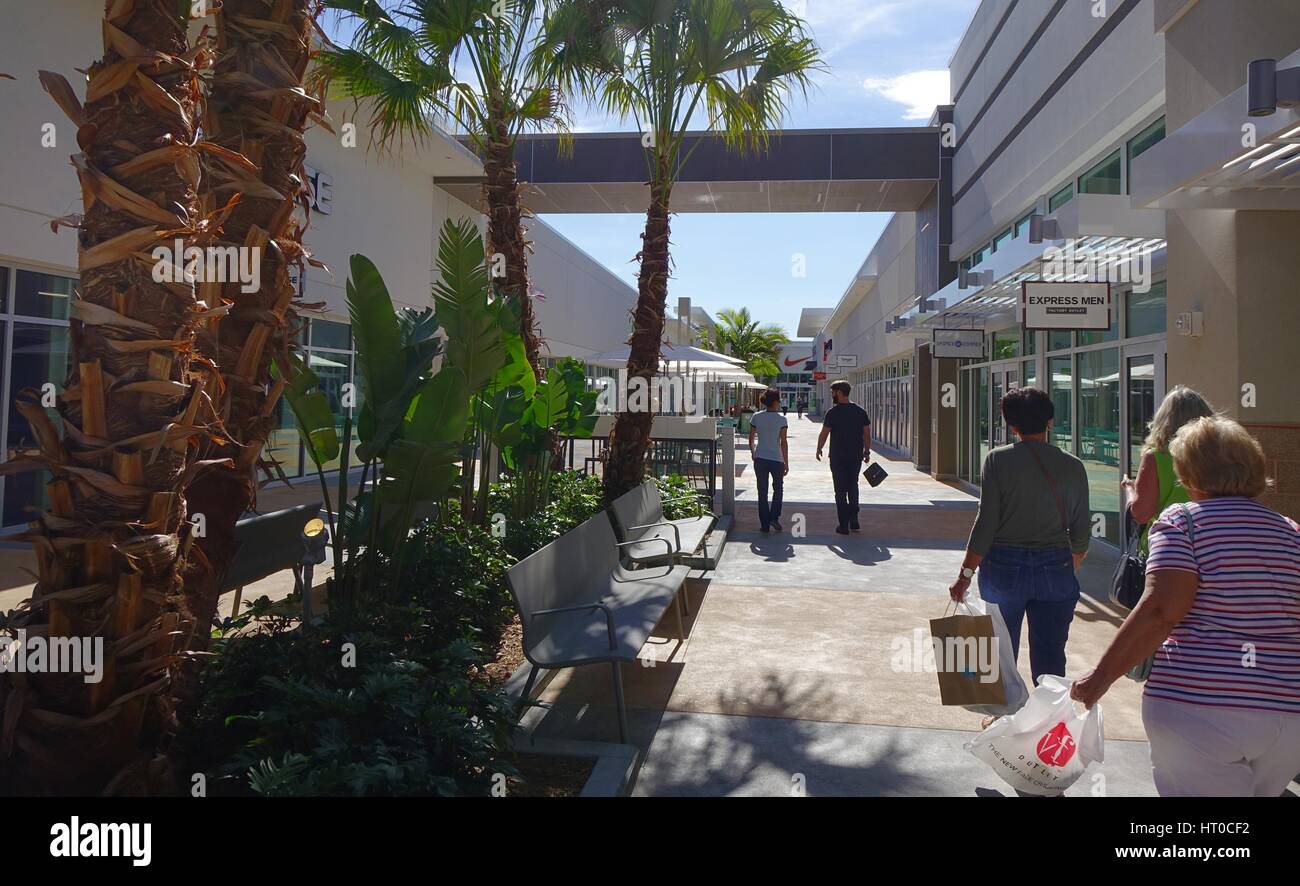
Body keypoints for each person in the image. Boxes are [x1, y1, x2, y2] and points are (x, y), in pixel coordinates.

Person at [1071, 416, 1300, 796]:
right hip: (1287, 715)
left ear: (1190, 474)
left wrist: (1100, 679)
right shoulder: (1290, 531)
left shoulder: (1182, 523)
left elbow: (1162, 610)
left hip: (1199, 708)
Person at [949, 387, 1091, 688]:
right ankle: (1048, 718)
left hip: (1003, 566)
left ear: (1010, 425)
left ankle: (1003, 715)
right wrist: (1070, 563)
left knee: (1000, 649)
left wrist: (966, 573)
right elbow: (1081, 531)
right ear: (1050, 421)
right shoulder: (1074, 466)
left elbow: (986, 522)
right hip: (1056, 567)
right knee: (1051, 653)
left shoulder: (997, 461)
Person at [1122, 386, 1214, 556]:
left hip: (1167, 548)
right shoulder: (1218, 455)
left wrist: (1130, 490)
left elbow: (1141, 514)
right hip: (1210, 545)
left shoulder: (1157, 457)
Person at [816, 380, 872, 535]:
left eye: (833, 391)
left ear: (839, 392)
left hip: (837, 457)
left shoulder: (833, 413)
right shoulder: (861, 411)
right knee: (853, 485)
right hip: (855, 457)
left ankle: (843, 525)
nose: (832, 394)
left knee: (840, 491)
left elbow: (824, 433)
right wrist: (866, 452)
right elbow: (867, 434)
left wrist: (819, 448)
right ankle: (854, 519)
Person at [749, 389, 789, 532]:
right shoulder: (782, 420)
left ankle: (764, 524)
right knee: (778, 489)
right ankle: (774, 518)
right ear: (776, 402)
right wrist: (786, 462)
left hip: (760, 458)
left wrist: (753, 452)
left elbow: (751, 438)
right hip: (777, 459)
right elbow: (783, 442)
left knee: (762, 491)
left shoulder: (756, 417)